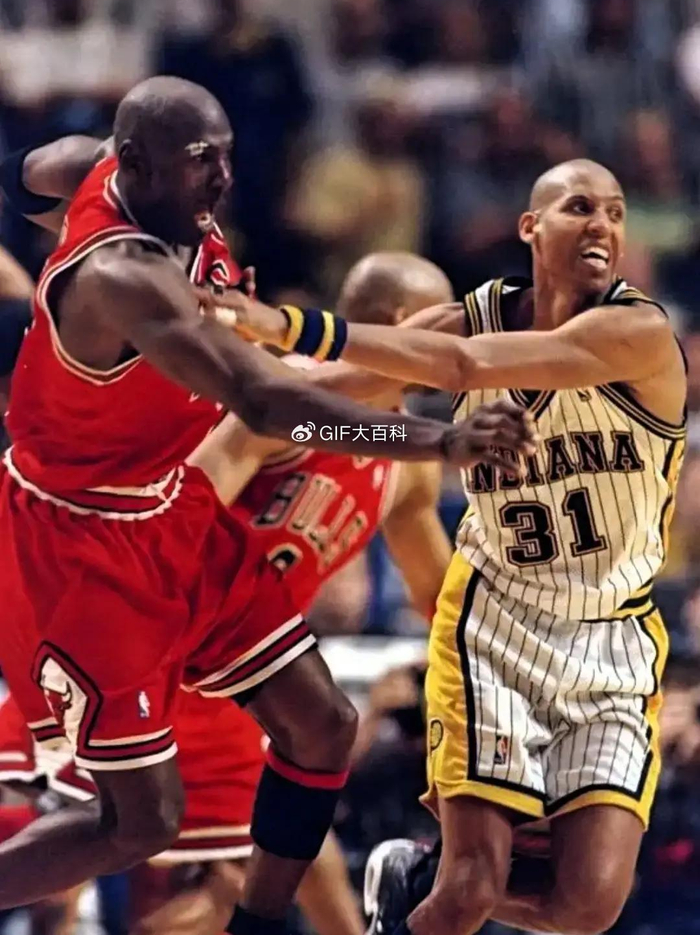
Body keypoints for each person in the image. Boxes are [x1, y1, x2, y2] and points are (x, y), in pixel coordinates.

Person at [0, 76, 535, 935]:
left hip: (166, 512)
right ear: (140, 164)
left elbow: (26, 171)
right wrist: (440, 439)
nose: (221, 178)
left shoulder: (115, 173)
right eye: (198, 160)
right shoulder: (125, 274)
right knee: (141, 823)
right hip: (82, 537)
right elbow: (266, 401)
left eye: (225, 156)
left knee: (324, 726)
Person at [222, 158, 687, 935]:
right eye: (580, 207)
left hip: (611, 637)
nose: (603, 225)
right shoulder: (462, 328)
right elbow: (313, 406)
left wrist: (287, 324)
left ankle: (407, 873)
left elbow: (464, 367)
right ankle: (423, 886)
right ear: (531, 227)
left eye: (615, 212)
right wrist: (237, 372)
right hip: (494, 628)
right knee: (470, 885)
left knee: (590, 904)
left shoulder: (637, 331)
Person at [0, 251, 455, 935]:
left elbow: (439, 593)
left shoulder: (401, 458)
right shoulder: (286, 397)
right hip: (166, 636)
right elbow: (181, 505)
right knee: (165, 845)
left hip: (232, 673)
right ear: (401, 322)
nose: (458, 343)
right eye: (445, 321)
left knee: (258, 853)